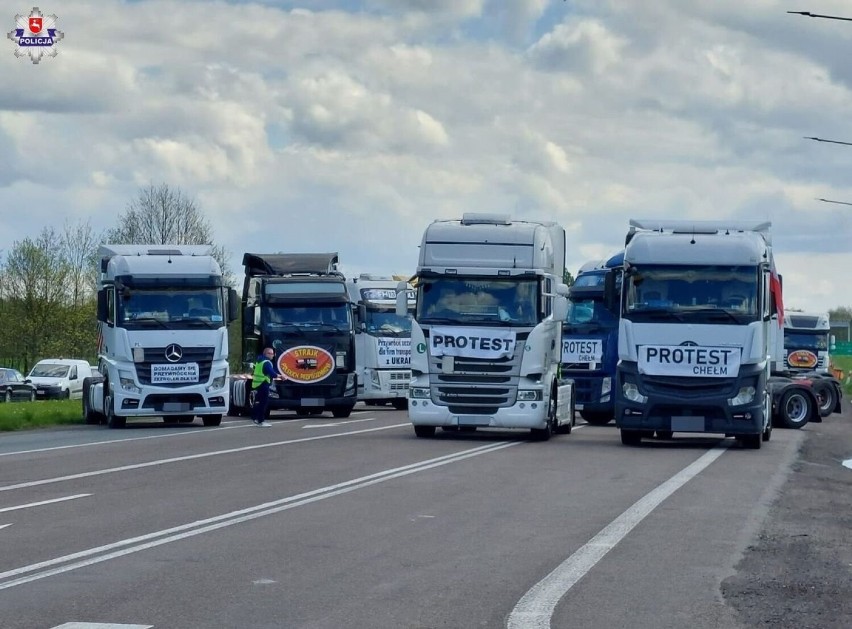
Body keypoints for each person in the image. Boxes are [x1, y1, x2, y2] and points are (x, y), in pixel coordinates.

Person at [251, 347, 279, 426]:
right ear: (267, 354)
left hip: (257, 384)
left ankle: (255, 418)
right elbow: (272, 373)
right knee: (263, 403)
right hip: (264, 384)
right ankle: (261, 420)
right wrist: (280, 376)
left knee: (257, 402)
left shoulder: (259, 361)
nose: (273, 356)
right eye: (272, 354)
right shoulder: (266, 362)